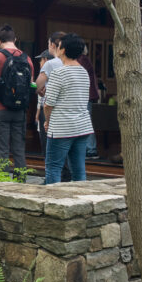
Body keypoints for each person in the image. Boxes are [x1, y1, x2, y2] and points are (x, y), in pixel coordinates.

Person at [42, 33, 94, 184]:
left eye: (58, 46)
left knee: (53, 167)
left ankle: (53, 202)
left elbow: (48, 103)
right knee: (79, 169)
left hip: (61, 127)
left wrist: (47, 121)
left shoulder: (58, 73)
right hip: (82, 126)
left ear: (62, 50)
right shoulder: (84, 72)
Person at [0, 25, 34, 173]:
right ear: (15, 39)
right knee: (19, 148)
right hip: (20, 110)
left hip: (0, 109)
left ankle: (3, 183)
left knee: (2, 150)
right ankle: (21, 181)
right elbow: (30, 82)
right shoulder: (27, 58)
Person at [35, 33, 66, 167]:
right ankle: (66, 175)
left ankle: (51, 177)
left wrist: (39, 90)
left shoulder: (50, 64)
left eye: (49, 44)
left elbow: (38, 85)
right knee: (64, 146)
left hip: (50, 107)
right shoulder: (73, 63)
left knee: (48, 145)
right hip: (66, 109)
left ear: (53, 45)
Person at [78, 47, 100, 159]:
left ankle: (91, 149)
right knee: (86, 120)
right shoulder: (83, 59)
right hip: (87, 95)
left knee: (86, 121)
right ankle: (90, 148)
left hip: (85, 95)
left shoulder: (82, 60)